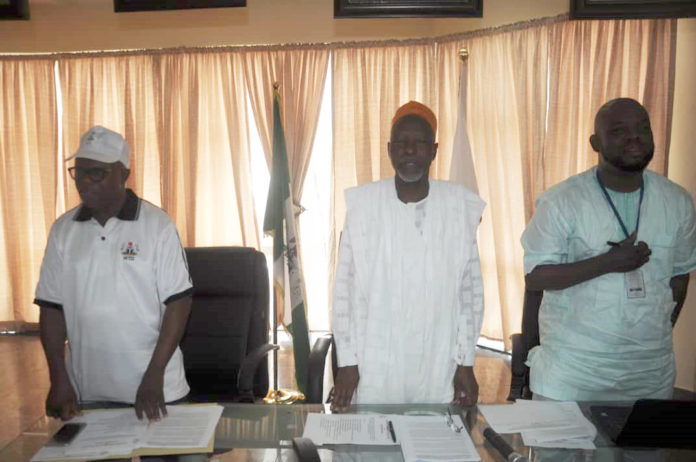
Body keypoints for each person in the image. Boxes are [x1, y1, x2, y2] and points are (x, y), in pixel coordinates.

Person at [522, 98, 696, 401]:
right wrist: (607, 262)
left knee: (647, 436)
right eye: (619, 131)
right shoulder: (562, 200)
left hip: (649, 373)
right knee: (560, 436)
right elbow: (536, 276)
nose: (634, 137)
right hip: (573, 372)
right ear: (595, 142)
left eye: (643, 128)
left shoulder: (677, 201)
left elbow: (680, 274)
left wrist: (659, 327)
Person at [331, 101, 486, 411]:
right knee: (374, 436)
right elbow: (344, 291)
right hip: (377, 361)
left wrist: (465, 361)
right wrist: (347, 362)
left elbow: (470, 293)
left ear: (434, 150)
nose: (410, 150)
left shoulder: (458, 206)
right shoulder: (363, 206)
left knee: (433, 435)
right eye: (401, 142)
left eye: (420, 142)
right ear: (389, 150)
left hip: (437, 362)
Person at [35, 126, 193, 422]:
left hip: (156, 390)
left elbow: (179, 303)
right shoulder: (63, 230)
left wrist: (154, 374)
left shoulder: (157, 225)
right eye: (79, 172)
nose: (84, 181)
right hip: (87, 393)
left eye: (96, 173)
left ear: (124, 173)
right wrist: (58, 378)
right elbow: (51, 307)